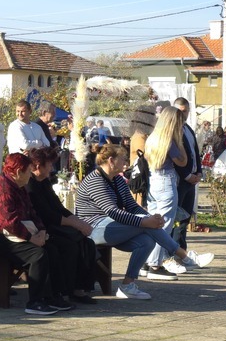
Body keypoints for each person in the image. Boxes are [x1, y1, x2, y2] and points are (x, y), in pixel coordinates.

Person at [73, 144, 214, 300]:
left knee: (146, 241)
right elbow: (113, 211)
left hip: (112, 226)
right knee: (144, 224)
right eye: (123, 159)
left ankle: (127, 285)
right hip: (93, 228)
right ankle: (184, 256)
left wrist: (151, 218)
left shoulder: (118, 180)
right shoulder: (95, 180)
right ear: (111, 160)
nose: (126, 162)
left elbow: (132, 206)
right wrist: (145, 221)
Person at [0, 153, 68, 316]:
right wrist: (32, 238)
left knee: (52, 249)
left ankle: (52, 296)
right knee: (37, 255)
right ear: (18, 172)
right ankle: (35, 302)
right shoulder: (3, 188)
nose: (31, 174)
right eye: (28, 171)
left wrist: (41, 231)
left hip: (14, 233)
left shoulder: (18, 186)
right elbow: (8, 221)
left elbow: (32, 213)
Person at [25, 147, 98, 305]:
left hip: (55, 224)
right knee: (68, 245)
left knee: (86, 243)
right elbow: (46, 215)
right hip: (42, 228)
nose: (52, 168)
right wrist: (75, 223)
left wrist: (77, 221)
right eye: (49, 165)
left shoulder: (43, 181)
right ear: (38, 166)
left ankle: (79, 288)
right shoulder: (29, 185)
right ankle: (63, 290)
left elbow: (58, 207)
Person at [142, 106, 189, 279]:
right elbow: (182, 162)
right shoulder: (169, 140)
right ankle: (155, 264)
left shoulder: (153, 138)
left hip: (154, 180)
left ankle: (147, 261)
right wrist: (181, 142)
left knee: (154, 222)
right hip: (166, 181)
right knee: (164, 224)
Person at [171, 98, 202, 250]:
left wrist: (199, 172)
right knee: (175, 219)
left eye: (185, 111)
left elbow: (195, 152)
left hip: (192, 180)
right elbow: (174, 158)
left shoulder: (188, 129)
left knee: (185, 218)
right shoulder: (171, 130)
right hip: (180, 181)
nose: (183, 114)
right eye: (180, 111)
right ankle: (173, 251)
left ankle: (182, 251)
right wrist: (187, 176)